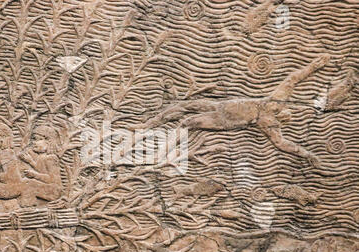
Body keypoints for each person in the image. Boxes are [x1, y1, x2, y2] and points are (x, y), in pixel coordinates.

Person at [131, 54, 331, 168]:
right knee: (182, 107)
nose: (286, 115)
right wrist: (314, 66)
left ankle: (162, 153)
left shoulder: (268, 123)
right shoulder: (274, 102)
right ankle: (147, 125)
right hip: (220, 106)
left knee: (186, 123)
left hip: (222, 121)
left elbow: (282, 144)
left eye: (286, 119)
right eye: (287, 113)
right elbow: (292, 80)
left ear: (282, 121)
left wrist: (307, 154)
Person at [18, 125, 62, 207]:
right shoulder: (41, 157)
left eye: (38, 139)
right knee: (26, 182)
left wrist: (34, 175)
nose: (33, 142)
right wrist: (30, 161)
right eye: (33, 139)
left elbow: (51, 179)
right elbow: (41, 170)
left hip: (53, 191)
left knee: (30, 184)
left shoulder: (51, 158)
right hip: (46, 187)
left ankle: (28, 208)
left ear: (49, 141)